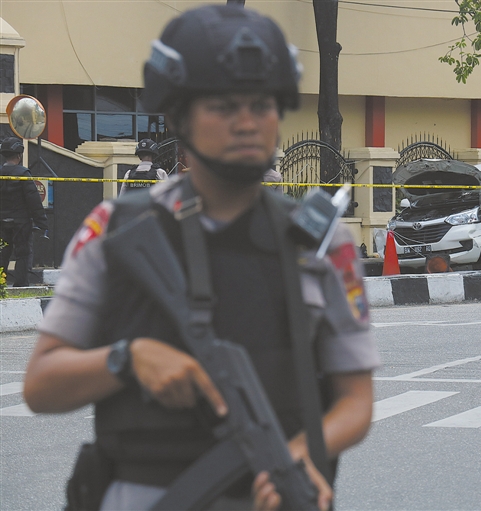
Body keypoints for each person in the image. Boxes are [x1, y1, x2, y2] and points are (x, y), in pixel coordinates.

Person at [23, 5, 378, 511]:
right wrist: (128, 359)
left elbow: (356, 401)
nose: (248, 123)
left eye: (263, 105)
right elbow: (40, 386)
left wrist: (300, 455)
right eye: (223, 106)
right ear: (179, 116)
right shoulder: (115, 228)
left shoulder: (323, 244)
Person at [0, 137, 48, 287]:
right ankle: (21, 285)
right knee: (23, 253)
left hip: (1, 221)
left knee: (2, 254)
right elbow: (33, 200)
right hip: (21, 222)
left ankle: (1, 285)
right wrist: (42, 223)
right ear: (19, 156)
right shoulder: (24, 173)